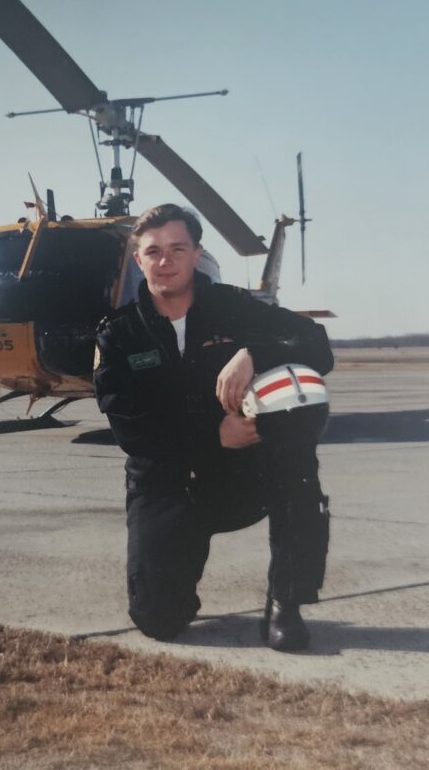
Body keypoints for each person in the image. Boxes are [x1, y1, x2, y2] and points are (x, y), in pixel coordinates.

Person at [93, 203, 334, 650]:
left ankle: (287, 601)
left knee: (296, 450)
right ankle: (172, 589)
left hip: (239, 477)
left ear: (197, 253)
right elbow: (131, 430)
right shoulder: (119, 335)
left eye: (177, 248)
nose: (166, 261)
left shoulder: (234, 307)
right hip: (167, 483)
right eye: (154, 251)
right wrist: (212, 434)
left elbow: (316, 344)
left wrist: (254, 353)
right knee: (159, 620)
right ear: (137, 259)